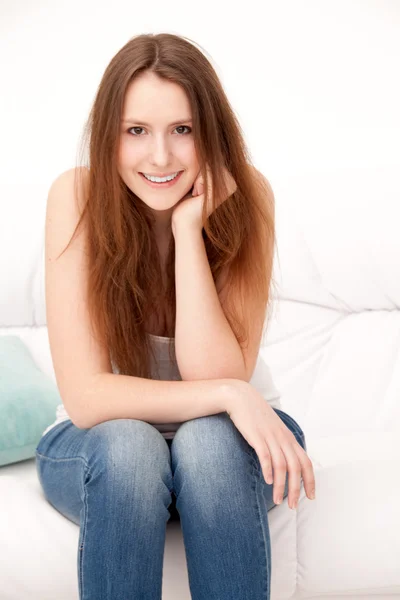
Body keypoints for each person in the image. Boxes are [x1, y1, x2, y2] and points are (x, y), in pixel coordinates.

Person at [35, 32, 316, 600]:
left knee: (208, 445)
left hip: (231, 452)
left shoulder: (248, 197)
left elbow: (213, 370)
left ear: (210, 133)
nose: (160, 157)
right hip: (102, 454)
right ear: (107, 135)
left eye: (182, 130)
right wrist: (233, 395)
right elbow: (89, 398)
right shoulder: (78, 197)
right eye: (135, 131)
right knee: (130, 446)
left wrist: (189, 232)